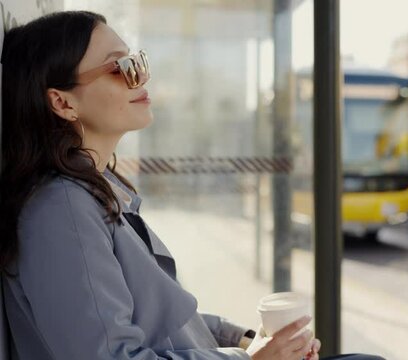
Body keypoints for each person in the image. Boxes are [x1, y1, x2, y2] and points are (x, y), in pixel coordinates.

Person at [0, 11, 383, 360]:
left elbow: (168, 320)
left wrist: (247, 339)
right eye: (121, 67)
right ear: (63, 103)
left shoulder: (96, 191)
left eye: (140, 62)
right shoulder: (62, 208)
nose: (142, 76)